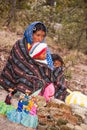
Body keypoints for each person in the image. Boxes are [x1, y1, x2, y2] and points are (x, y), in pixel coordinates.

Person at [0, 21, 53, 94]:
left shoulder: (44, 48)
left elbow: (48, 67)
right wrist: (31, 74)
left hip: (35, 76)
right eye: (38, 35)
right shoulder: (20, 45)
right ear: (31, 34)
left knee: (44, 84)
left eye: (43, 36)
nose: (40, 39)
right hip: (16, 75)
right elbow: (16, 63)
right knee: (25, 82)